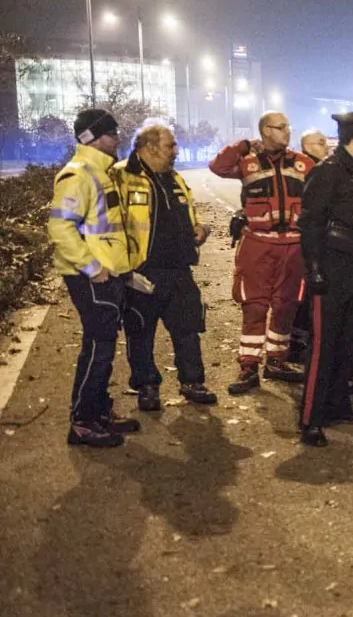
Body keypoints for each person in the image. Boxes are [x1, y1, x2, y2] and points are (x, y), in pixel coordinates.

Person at [47, 109, 139, 447]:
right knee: (99, 347)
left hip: (107, 275)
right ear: (94, 137)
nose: (118, 138)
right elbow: (60, 228)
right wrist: (93, 268)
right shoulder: (78, 175)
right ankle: (83, 422)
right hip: (92, 277)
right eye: (113, 133)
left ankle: (99, 411)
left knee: (101, 346)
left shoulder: (103, 172)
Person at [113, 123, 218, 413]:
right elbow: (110, 222)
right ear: (149, 147)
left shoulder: (175, 178)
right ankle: (147, 386)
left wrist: (200, 230)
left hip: (179, 270)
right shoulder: (122, 176)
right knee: (140, 332)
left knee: (187, 328)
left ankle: (192, 382)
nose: (176, 150)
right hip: (141, 272)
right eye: (170, 145)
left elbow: (189, 216)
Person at [209, 111, 315, 395]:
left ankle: (276, 361)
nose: (287, 132)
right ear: (265, 131)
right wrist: (242, 145)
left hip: (293, 245)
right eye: (280, 127)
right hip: (258, 242)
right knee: (254, 305)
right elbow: (217, 166)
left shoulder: (303, 163)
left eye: (288, 126)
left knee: (287, 304)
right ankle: (248, 366)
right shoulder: (248, 161)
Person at [296, 109, 353, 447]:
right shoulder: (328, 172)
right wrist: (313, 267)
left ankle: (339, 405)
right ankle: (311, 419)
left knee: (348, 343)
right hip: (330, 269)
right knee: (322, 345)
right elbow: (310, 223)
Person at [286, 128, 330, 364]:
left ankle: (300, 341)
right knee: (306, 296)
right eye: (321, 142)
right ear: (307, 146)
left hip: (308, 240)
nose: (327, 146)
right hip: (308, 242)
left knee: (306, 295)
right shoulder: (311, 171)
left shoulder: (311, 169)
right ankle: (299, 344)